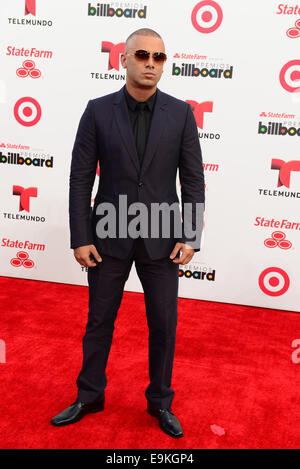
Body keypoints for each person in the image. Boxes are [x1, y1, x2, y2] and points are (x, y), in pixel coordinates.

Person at [50, 28, 205, 439]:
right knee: (99, 320)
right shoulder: (97, 110)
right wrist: (80, 236)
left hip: (161, 237)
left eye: (159, 57)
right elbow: (80, 178)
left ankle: (160, 402)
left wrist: (190, 235)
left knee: (164, 324)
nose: (151, 63)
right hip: (107, 237)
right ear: (123, 59)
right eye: (142, 55)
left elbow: (193, 180)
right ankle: (90, 395)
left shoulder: (182, 113)